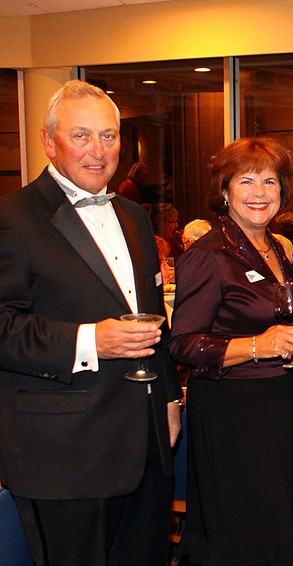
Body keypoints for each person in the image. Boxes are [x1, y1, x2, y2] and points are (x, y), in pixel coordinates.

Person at [0, 80, 182, 566]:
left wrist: (167, 396)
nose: (99, 151)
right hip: (63, 453)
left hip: (145, 443)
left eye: (109, 136)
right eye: (81, 136)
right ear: (48, 141)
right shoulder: (11, 217)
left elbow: (152, 319)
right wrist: (91, 340)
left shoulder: (133, 216)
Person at [168, 137, 293, 565]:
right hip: (231, 411)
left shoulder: (279, 248)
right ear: (224, 191)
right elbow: (183, 343)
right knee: (238, 532)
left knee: (271, 524)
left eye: (269, 181)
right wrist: (256, 346)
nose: (259, 193)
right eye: (246, 181)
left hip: (275, 405)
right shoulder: (209, 254)